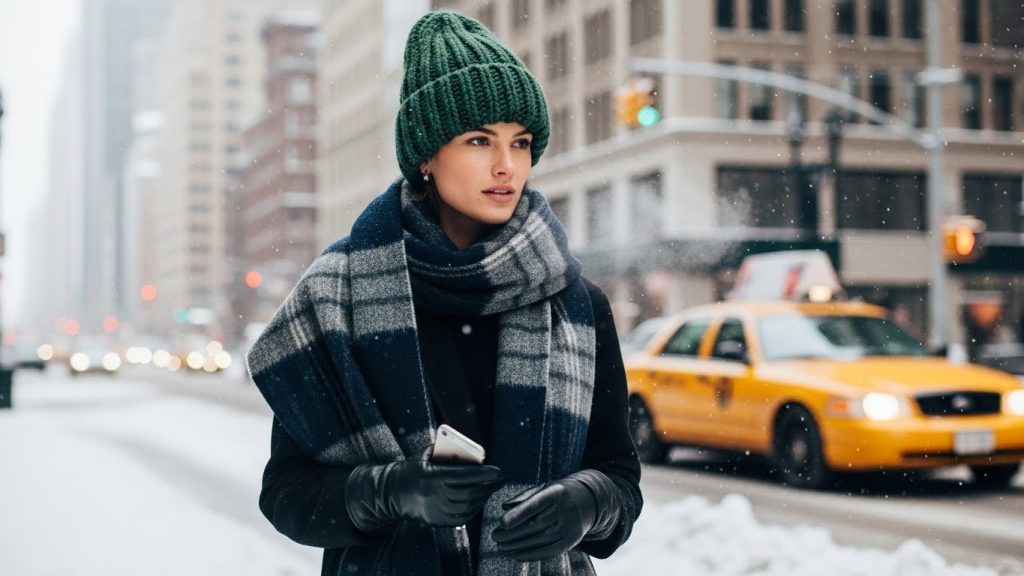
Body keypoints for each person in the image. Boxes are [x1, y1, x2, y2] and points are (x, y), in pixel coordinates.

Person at [247, 10, 642, 576]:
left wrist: (588, 503)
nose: (507, 166)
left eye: (522, 142)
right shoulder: (340, 299)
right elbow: (286, 493)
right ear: (427, 156)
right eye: (480, 140)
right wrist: (388, 491)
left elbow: (619, 477)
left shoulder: (575, 304)